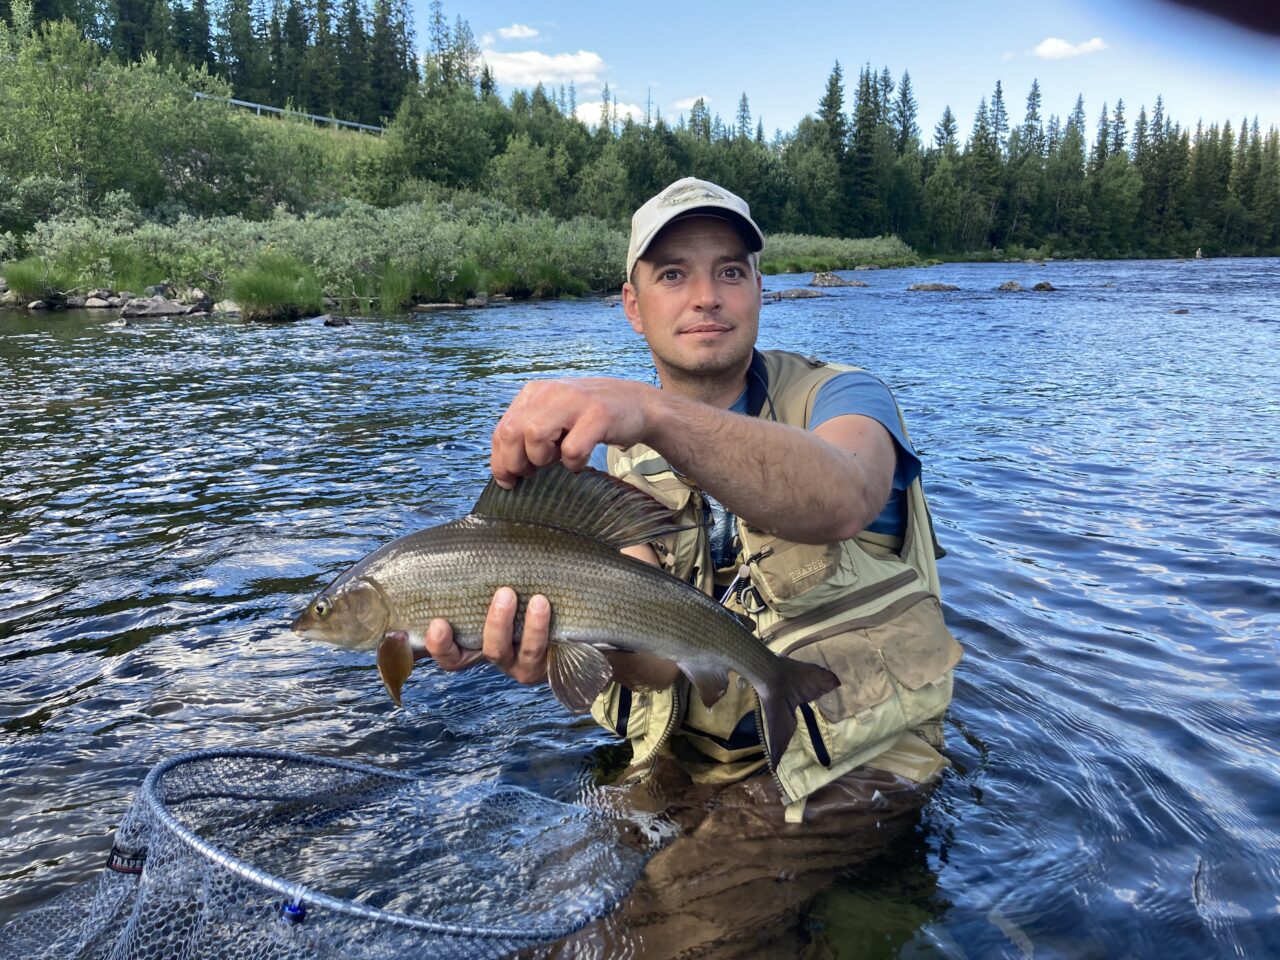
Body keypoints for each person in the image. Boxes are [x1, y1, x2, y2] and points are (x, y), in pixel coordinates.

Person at [423, 176, 961, 822]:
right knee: (558, 891)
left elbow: (845, 494)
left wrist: (652, 411)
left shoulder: (845, 398)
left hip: (861, 768)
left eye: (730, 272)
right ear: (631, 304)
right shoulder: (624, 460)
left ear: (760, 289)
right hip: (702, 770)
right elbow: (655, 664)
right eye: (674, 275)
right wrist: (563, 640)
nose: (706, 298)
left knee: (670, 919)